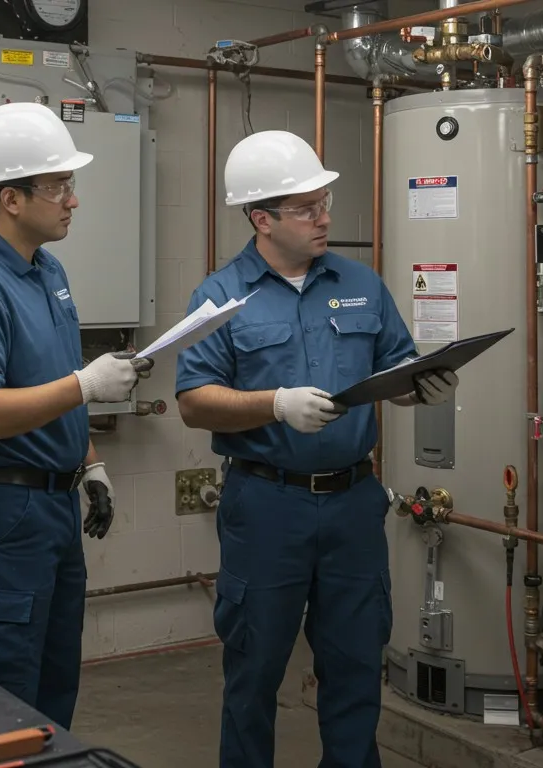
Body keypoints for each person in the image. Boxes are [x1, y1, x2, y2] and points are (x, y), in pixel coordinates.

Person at [174, 130, 459, 768]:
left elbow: (395, 368)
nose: (325, 216)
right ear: (262, 219)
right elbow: (193, 400)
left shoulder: (360, 283)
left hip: (354, 503)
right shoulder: (221, 298)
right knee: (254, 674)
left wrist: (424, 388)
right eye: (307, 207)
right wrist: (273, 403)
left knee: (356, 668)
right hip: (267, 506)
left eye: (325, 200)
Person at [0, 102, 148, 729]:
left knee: (53, 686)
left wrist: (91, 463)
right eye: (58, 187)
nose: (72, 200)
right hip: (2, 513)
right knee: (4, 694)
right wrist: (85, 385)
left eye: (70, 185)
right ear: (11, 198)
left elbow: (45, 379)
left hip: (53, 503)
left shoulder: (46, 270)